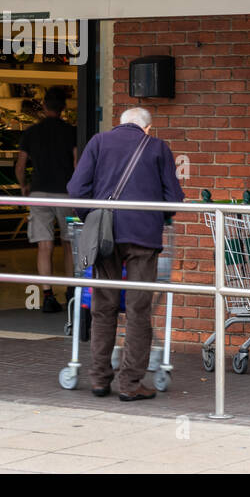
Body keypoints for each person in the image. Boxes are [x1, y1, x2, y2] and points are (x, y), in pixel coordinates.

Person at [66, 106, 183, 401]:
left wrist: (92, 218)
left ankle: (99, 379)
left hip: (105, 237)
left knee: (103, 308)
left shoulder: (98, 142)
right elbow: (173, 198)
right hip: (143, 237)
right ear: (147, 128)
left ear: (120, 124)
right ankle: (131, 383)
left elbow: (76, 188)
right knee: (138, 310)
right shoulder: (157, 147)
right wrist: (157, 217)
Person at [16, 86, 78, 313]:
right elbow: (76, 163)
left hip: (39, 192)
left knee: (44, 245)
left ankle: (48, 295)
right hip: (66, 193)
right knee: (70, 243)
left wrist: (24, 186)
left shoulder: (31, 132)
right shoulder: (71, 132)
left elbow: (20, 166)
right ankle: (72, 291)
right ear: (64, 108)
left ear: (43, 106)